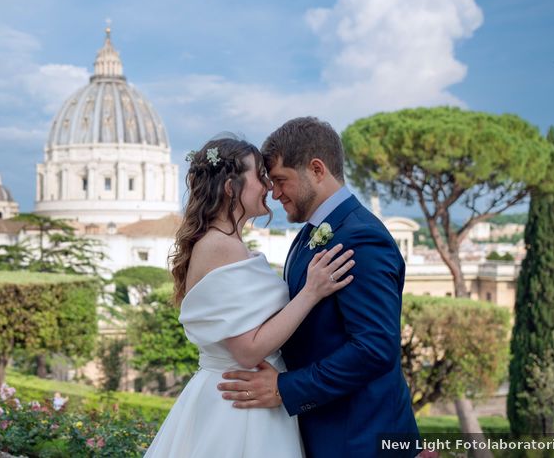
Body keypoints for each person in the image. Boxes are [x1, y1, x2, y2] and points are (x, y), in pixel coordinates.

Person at [216, 117, 421, 457]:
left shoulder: (362, 238)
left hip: (360, 437)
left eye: (282, 180)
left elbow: (374, 347)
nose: (275, 193)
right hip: (324, 429)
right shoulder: (309, 233)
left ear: (316, 169)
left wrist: (285, 389)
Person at [144, 136, 355, 458]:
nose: (269, 187)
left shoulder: (225, 243)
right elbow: (247, 350)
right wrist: (312, 292)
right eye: (260, 176)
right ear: (231, 187)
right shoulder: (221, 246)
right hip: (240, 405)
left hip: (245, 395)